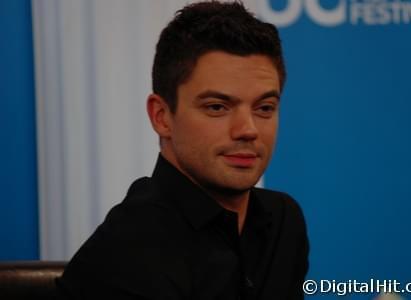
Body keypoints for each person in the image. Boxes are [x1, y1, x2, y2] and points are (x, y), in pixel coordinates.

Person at [56, 1, 309, 299]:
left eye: (265, 107)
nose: (248, 129)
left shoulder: (283, 220)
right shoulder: (125, 252)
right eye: (217, 107)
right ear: (161, 117)